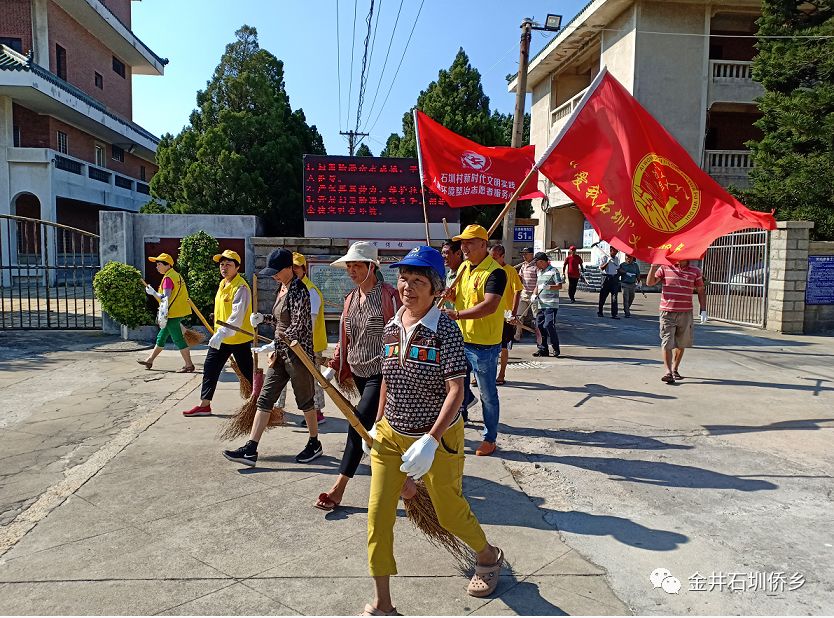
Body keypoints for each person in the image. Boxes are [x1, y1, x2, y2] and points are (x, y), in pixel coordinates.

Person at [362, 246, 504, 615]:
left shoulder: (446, 329)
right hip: (391, 435)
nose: (408, 287)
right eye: (404, 279)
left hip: (437, 438)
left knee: (449, 513)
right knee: (377, 517)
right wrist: (378, 423)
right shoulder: (392, 326)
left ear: (435, 288)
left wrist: (431, 439)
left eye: (418, 281)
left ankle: (488, 556)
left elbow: (456, 390)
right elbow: (386, 380)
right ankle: (383, 604)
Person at [317, 242, 401, 511]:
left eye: (356, 265)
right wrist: (334, 364)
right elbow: (346, 337)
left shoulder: (390, 296)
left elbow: (401, 330)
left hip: (382, 372)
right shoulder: (351, 299)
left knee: (357, 423)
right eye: (349, 266)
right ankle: (403, 476)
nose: (351, 270)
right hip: (357, 372)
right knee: (384, 428)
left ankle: (338, 488)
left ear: (371, 267)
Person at [222, 248, 322, 466]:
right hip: (280, 355)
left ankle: (314, 442)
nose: (274, 275)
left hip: (298, 355)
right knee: (265, 398)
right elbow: (280, 321)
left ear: (289, 268)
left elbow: (299, 326)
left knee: (305, 400)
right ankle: (251, 449)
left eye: (277, 271)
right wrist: (263, 318)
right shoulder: (282, 288)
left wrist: (275, 344)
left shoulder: (299, 291)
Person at [443, 225, 506, 457]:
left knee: (487, 394)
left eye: (469, 243)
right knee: (453, 387)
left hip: (484, 345)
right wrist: (451, 297)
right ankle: (456, 424)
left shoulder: (496, 272)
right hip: (461, 339)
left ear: (483, 244)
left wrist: (457, 314)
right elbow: (460, 298)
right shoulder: (464, 269)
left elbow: (489, 305)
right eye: (462, 243)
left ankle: (490, 438)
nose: (464, 248)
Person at [182, 250, 254, 417]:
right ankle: (204, 405)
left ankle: (261, 404)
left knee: (247, 372)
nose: (224, 267)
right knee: (210, 368)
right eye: (222, 264)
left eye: (228, 264)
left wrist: (222, 332)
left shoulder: (241, 287)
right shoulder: (223, 284)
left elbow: (237, 315)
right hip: (220, 338)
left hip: (238, 338)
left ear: (237, 267)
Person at [275, 252, 327, 426]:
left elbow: (308, 320)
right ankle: (277, 409)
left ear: (304, 269)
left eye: (297, 266)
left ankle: (317, 411)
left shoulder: (309, 290)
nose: (295, 270)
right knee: (280, 378)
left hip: (309, 344)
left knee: (311, 380)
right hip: (289, 343)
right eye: (292, 266)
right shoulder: (287, 288)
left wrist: (291, 336)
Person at [646, 260, 708, 384]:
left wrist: (703, 309)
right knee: (667, 342)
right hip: (667, 312)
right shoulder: (665, 267)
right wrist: (653, 266)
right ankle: (668, 372)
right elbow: (650, 283)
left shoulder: (695, 271)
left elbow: (701, 290)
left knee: (681, 343)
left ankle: (675, 368)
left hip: (685, 312)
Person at [139, 253, 195, 373]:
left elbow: (165, 298)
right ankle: (149, 360)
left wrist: (153, 292)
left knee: (178, 339)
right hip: (176, 311)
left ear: (168, 265)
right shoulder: (176, 275)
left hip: (171, 314)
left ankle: (189, 365)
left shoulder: (168, 278)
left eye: (159, 264)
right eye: (157, 264)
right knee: (161, 337)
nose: (157, 267)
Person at [488, 244, 523, 386]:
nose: (493, 260)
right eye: (491, 257)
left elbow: (517, 291)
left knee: (503, 347)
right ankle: (485, 375)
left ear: (502, 256)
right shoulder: (488, 270)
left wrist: (513, 313)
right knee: (487, 347)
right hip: (489, 314)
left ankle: (501, 373)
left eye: (495, 258)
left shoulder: (510, 271)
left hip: (505, 315)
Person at [532, 252, 563, 357]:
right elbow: (537, 285)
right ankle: (543, 349)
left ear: (541, 262)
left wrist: (549, 287)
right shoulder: (539, 272)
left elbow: (559, 286)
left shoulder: (554, 271)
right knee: (539, 326)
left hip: (551, 304)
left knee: (548, 325)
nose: (535, 264)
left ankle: (555, 348)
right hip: (541, 304)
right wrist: (534, 294)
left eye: (536, 262)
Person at [515, 246, 539, 340]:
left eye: (526, 254)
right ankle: (517, 334)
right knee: (519, 315)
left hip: (534, 294)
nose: (523, 256)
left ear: (531, 254)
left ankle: (539, 336)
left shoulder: (536, 265)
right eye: (523, 254)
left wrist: (535, 293)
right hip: (524, 293)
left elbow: (539, 280)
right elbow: (520, 278)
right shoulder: (524, 265)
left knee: (536, 316)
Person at [597, 246, 621, 319]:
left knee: (614, 297)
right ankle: (600, 311)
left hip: (614, 278)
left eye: (617, 251)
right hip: (606, 278)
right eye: (615, 251)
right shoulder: (604, 257)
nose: (616, 253)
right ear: (611, 250)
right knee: (603, 296)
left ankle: (614, 314)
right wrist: (608, 262)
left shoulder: (616, 259)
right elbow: (601, 268)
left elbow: (617, 268)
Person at [441, 239, 464, 310]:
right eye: (442, 253)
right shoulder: (448, 274)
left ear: (458, 253)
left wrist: (451, 297)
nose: (443, 256)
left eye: (446, 253)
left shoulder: (466, 274)